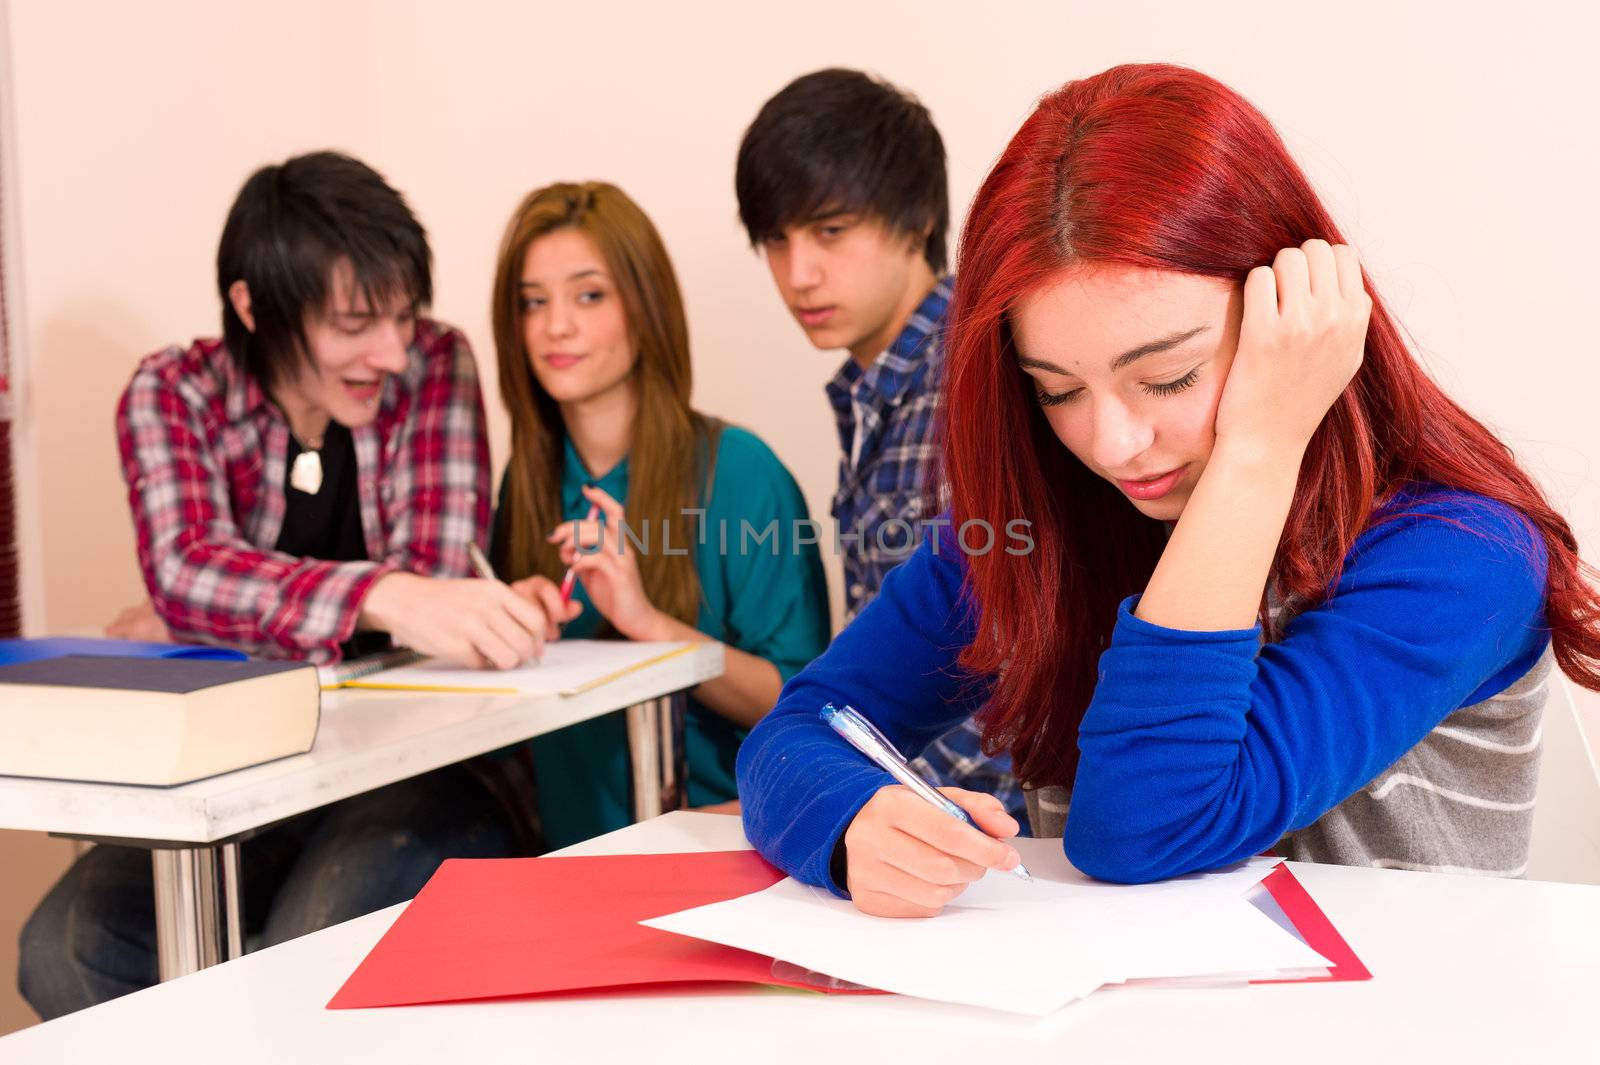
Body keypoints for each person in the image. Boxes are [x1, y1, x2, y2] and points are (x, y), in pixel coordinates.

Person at [736, 63, 1600, 918]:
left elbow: (1145, 825)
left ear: (1297, 323)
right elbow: (801, 728)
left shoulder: (1463, 553)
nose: (1112, 443)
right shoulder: (1041, 525)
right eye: (1058, 389)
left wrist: (1260, 446)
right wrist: (850, 821)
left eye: (1171, 375)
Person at [20, 152, 540, 1019]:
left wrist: (220, 607)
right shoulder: (172, 391)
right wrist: (379, 593)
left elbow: (438, 586)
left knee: (312, 942)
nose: (394, 350)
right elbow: (189, 565)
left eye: (403, 316)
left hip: (425, 765)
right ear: (252, 307)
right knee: (67, 947)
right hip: (249, 771)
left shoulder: (437, 363)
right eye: (356, 323)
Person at [489, 180, 830, 849]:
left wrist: (647, 624)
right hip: (567, 858)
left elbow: (805, 704)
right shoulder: (525, 480)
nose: (556, 325)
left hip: (725, 850)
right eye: (533, 302)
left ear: (645, 309)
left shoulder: (740, 471)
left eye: (589, 295)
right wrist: (510, 626)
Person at [735, 68, 1024, 822]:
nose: (799, 273)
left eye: (831, 231)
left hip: (987, 837)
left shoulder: (965, 378)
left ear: (918, 219)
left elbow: (1003, 674)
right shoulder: (880, 387)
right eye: (776, 239)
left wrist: (884, 808)